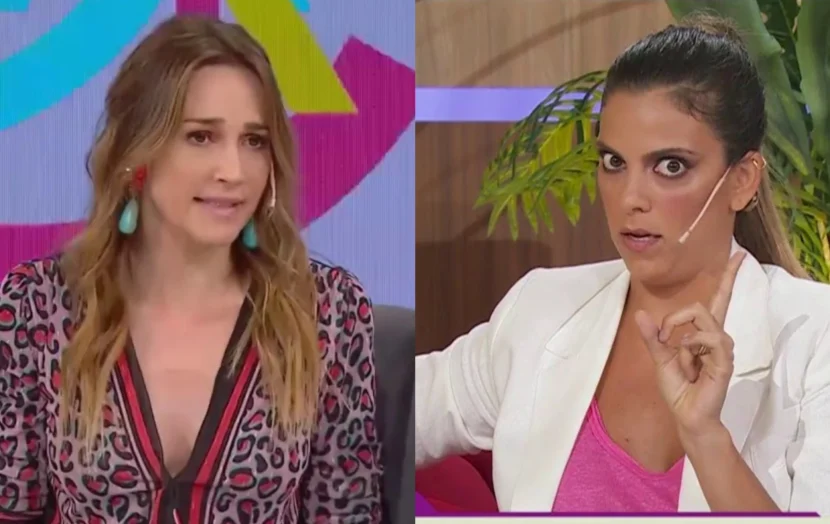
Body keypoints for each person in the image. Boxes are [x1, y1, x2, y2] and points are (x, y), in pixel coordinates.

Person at [415, 16, 830, 515]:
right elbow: (383, 410)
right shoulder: (541, 310)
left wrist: (705, 437)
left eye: (670, 166)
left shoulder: (814, 337)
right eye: (614, 162)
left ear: (741, 180)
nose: (631, 197)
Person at [0, 15, 382, 524]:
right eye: (201, 137)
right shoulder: (36, 305)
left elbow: (347, 512)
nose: (234, 171)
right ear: (137, 153)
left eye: (254, 141)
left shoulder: (328, 311)